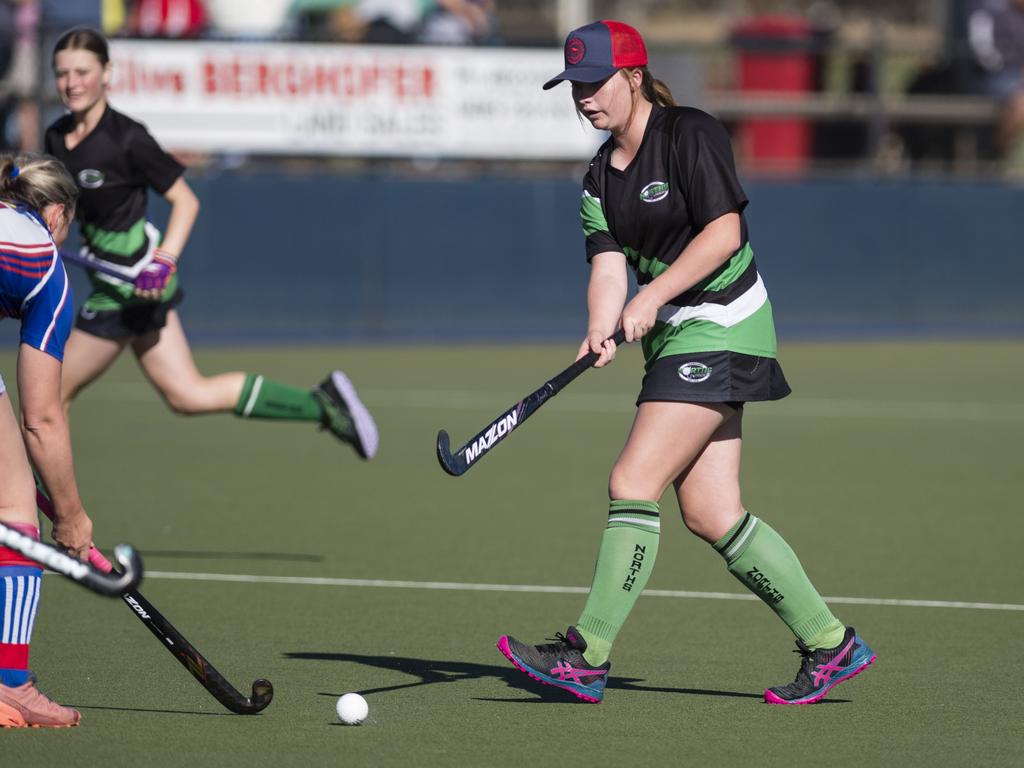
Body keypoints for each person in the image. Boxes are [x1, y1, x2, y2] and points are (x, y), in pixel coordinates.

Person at [496, 20, 875, 706]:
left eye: (594, 84)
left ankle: (586, 653)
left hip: (724, 322)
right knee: (710, 510)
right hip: (676, 336)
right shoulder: (596, 178)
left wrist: (656, 294)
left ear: (633, 77)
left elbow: (725, 233)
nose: (584, 99)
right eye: (574, 88)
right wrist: (600, 323)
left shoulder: (689, 133)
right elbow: (608, 265)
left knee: (632, 479)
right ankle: (831, 645)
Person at [44, 27, 378, 460]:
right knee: (187, 394)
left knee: (49, 397)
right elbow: (63, 214)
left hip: (130, 289)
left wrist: (162, 263)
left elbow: (186, 201)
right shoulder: (56, 138)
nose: (72, 83)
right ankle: (322, 404)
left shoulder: (127, 138)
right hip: (110, 283)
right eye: (62, 73)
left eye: (82, 71)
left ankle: (49, 513)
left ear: (107, 72)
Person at [0, 151, 91, 728]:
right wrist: (71, 514)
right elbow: (42, 419)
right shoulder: (48, 273)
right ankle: (12, 686)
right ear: (56, 213)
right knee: (14, 505)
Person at [967, 0, 1024, 159]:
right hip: (996, 76)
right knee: (1021, 104)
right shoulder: (987, 8)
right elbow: (983, 51)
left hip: (1018, 77)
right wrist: (1010, 65)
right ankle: (994, 155)